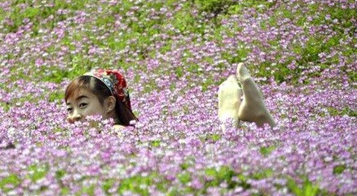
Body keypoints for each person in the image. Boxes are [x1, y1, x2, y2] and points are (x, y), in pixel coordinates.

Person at [64, 64, 276, 130]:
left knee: (227, 136)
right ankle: (254, 113)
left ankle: (229, 110)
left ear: (110, 103)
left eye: (82, 104)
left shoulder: (117, 134)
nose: (75, 115)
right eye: (69, 108)